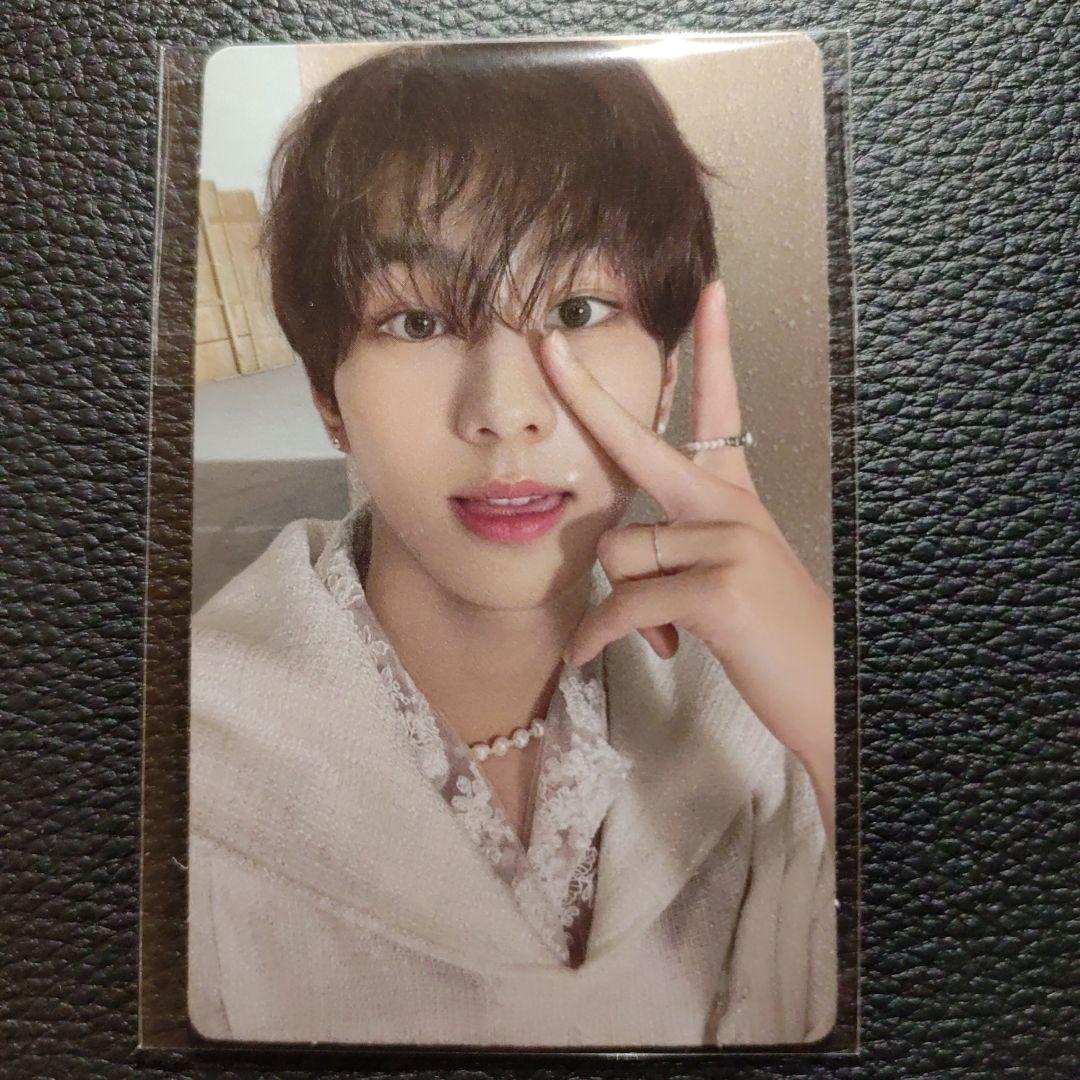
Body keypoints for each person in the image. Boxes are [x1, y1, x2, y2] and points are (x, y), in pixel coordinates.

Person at [187, 40, 837, 1047]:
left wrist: (843, 722)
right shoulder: (180, 752)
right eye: (416, 322)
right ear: (327, 397)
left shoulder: (766, 716)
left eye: (579, 310)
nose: (503, 411)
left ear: (666, 381)